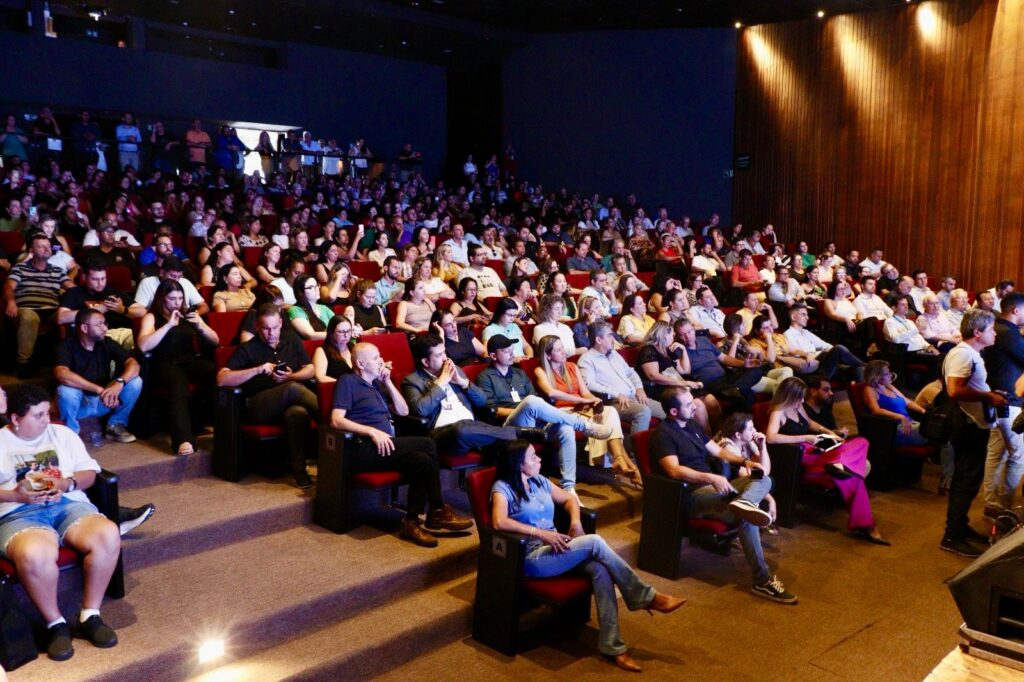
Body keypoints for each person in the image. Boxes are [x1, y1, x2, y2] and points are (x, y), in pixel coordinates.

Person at [491, 441, 684, 672]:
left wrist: (575, 522)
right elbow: (499, 521)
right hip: (530, 556)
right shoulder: (502, 487)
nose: (539, 459)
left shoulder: (540, 481)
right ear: (518, 464)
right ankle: (646, 597)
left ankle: (614, 647)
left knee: (600, 570)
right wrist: (541, 533)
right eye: (533, 457)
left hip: (557, 548)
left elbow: (570, 499)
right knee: (595, 541)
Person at [0, 383, 122, 661]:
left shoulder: (63, 434)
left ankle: (90, 615)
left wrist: (66, 483)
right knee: (35, 553)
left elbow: (90, 473)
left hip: (67, 503)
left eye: (47, 413)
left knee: (107, 533)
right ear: (16, 419)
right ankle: (55, 623)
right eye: (39, 415)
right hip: (18, 512)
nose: (47, 420)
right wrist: (15, 495)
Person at [651, 387, 797, 604]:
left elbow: (718, 452)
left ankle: (745, 503)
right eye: (688, 404)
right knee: (746, 513)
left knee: (762, 478)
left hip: (716, 488)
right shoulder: (663, 434)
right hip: (690, 495)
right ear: (673, 411)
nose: (694, 406)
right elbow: (673, 470)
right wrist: (710, 478)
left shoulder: (691, 425)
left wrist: (744, 461)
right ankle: (762, 579)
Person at [331, 342, 473, 547]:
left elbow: (404, 411)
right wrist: (371, 431)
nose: (381, 360)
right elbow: (336, 419)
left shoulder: (378, 385)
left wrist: (388, 382)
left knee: (422, 461)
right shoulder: (348, 381)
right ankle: (437, 509)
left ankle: (411, 521)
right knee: (427, 444)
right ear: (361, 364)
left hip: (387, 447)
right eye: (375, 357)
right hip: (364, 448)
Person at [477, 335, 612, 497]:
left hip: (535, 424)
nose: (512, 354)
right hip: (511, 427)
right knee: (530, 402)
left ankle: (569, 488)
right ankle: (584, 425)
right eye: (506, 351)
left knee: (566, 428)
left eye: (512, 351)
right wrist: (524, 409)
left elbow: (538, 403)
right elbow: (492, 410)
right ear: (493, 356)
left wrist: (534, 411)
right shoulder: (485, 377)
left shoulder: (520, 374)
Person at [766, 377, 889, 545]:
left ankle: (839, 465)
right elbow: (771, 437)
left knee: (862, 442)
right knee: (855, 479)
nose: (802, 400)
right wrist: (804, 438)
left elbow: (810, 423)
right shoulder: (779, 411)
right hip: (800, 458)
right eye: (799, 397)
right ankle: (867, 526)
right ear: (789, 395)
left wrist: (830, 433)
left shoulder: (798, 407)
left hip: (817, 452)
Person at [216, 304, 319, 488]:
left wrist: (291, 376)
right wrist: (257, 369)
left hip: (287, 401)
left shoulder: (291, 338)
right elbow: (222, 379)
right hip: (258, 405)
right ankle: (332, 420)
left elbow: (310, 369)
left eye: (274, 328)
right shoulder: (248, 348)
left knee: (297, 413)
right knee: (293, 389)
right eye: (265, 328)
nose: (270, 333)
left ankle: (299, 471)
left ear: (280, 323)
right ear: (257, 327)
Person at [399, 335, 547, 456]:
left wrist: (462, 382)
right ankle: (518, 432)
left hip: (473, 426)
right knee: (461, 430)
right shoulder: (412, 381)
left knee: (510, 449)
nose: (445, 358)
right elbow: (420, 410)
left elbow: (482, 401)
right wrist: (441, 383)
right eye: (439, 355)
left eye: (444, 352)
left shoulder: (455, 370)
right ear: (425, 361)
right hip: (443, 433)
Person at [940, 309, 1008, 557]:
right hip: (966, 423)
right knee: (965, 480)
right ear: (977, 332)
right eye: (990, 330)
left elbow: (968, 386)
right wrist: (987, 396)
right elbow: (954, 391)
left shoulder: (970, 354)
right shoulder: (963, 354)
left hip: (974, 422)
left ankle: (960, 526)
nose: (994, 334)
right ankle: (952, 535)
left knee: (969, 479)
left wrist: (989, 392)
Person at [534, 334, 641, 487]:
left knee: (610, 411)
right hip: (563, 413)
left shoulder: (572, 366)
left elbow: (585, 393)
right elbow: (551, 392)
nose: (564, 352)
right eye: (558, 350)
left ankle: (618, 458)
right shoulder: (541, 371)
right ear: (548, 355)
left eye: (563, 347)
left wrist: (593, 400)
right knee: (607, 416)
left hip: (581, 409)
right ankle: (630, 465)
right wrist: (583, 400)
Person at [137, 280, 219, 455]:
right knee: (177, 383)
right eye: (172, 298)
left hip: (188, 360)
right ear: (162, 299)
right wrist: (168, 326)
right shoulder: (152, 317)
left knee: (216, 373)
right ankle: (183, 439)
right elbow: (144, 345)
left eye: (181, 298)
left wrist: (200, 325)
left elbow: (215, 340)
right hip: (163, 363)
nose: (178, 302)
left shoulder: (187, 315)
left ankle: (222, 429)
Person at [54, 309, 142, 446]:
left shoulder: (107, 343)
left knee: (135, 382)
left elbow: (134, 364)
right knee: (66, 391)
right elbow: (61, 373)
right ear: (84, 327)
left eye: (105, 323)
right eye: (99, 324)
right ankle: (71, 435)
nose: (105, 328)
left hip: (105, 400)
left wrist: (119, 383)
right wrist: (98, 389)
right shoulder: (67, 345)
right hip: (80, 404)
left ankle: (115, 425)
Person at [4, 232, 74, 377]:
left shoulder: (57, 270)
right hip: (27, 308)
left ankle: (67, 361)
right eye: (41, 247)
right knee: (30, 317)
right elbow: (9, 286)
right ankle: (24, 363)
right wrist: (11, 301)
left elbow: (72, 288)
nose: (47, 249)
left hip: (51, 310)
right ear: (31, 250)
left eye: (48, 246)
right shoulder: (21, 268)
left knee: (71, 316)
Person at [980, 292, 1024, 520]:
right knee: (1018, 455)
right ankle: (1004, 507)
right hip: (1008, 401)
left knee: (997, 453)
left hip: (1000, 399)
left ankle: (992, 503)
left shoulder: (1002, 329)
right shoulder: (1008, 333)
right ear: (1016, 310)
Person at [579, 321, 667, 434]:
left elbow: (630, 372)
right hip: (612, 402)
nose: (613, 339)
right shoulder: (586, 359)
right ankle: (635, 450)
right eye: (609, 335)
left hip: (633, 396)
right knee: (643, 411)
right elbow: (589, 384)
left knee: (666, 409)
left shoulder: (614, 354)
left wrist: (639, 388)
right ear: (598, 340)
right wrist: (617, 394)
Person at [716, 412, 778, 533]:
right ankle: (746, 525)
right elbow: (749, 477)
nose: (755, 431)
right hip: (728, 486)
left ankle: (757, 521)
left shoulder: (747, 441)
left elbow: (765, 470)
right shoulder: (728, 447)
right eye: (750, 428)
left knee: (770, 479)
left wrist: (762, 446)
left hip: (743, 479)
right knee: (766, 482)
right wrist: (771, 500)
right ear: (738, 435)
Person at [56, 260, 134, 350]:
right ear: (84, 277)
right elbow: (61, 318)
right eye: (95, 279)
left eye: (103, 279)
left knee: (139, 339)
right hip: (90, 337)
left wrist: (123, 310)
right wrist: (97, 310)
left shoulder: (114, 292)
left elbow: (142, 311)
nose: (100, 283)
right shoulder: (74, 293)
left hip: (119, 334)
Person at [783, 304, 865, 380]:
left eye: (807, 315)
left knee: (856, 369)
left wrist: (830, 352)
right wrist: (811, 354)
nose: (807, 317)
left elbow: (825, 345)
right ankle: (868, 367)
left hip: (821, 362)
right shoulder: (788, 334)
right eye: (803, 314)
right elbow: (793, 352)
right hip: (810, 368)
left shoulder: (806, 332)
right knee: (838, 348)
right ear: (793, 317)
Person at [287, 275, 333, 341]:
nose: (317, 289)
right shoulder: (295, 310)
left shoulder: (324, 308)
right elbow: (311, 335)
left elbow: (338, 325)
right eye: (311, 287)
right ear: (301, 292)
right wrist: (336, 335)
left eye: (316, 285)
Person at [312, 315, 355, 382]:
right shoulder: (322, 351)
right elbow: (320, 377)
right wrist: (344, 384)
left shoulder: (353, 347)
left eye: (349, 331)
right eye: (341, 332)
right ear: (331, 333)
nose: (346, 335)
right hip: (337, 389)